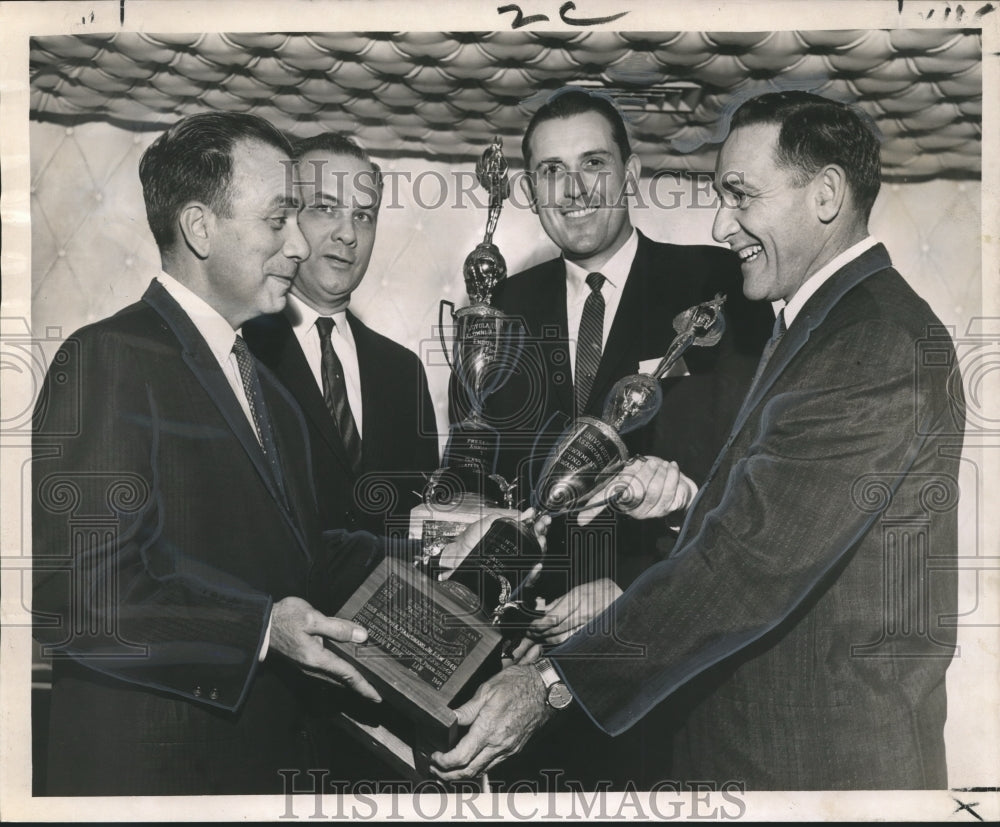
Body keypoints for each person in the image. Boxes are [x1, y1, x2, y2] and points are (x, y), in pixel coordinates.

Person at [432, 91, 966, 790]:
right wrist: (685, 503)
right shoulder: (824, 324)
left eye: (741, 195)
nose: (723, 223)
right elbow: (778, 512)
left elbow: (750, 564)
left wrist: (553, 683)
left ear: (827, 194)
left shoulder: (871, 341)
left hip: (816, 764)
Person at [30, 111, 474, 796]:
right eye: (278, 220)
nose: (299, 245)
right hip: (154, 785)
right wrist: (261, 630)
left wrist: (433, 548)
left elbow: (301, 556)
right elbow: (81, 599)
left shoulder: (268, 388)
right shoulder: (106, 359)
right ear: (201, 228)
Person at [449, 87, 773, 787]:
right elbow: (474, 482)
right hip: (527, 693)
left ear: (631, 174)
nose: (573, 189)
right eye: (549, 171)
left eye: (593, 163)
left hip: (673, 683)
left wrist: (629, 585)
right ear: (531, 189)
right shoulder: (499, 311)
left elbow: (755, 485)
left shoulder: (722, 285)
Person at [244, 133, 438, 537]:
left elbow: (420, 524)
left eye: (363, 216)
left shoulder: (404, 372)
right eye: (325, 209)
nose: (348, 234)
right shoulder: (240, 352)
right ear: (287, 219)